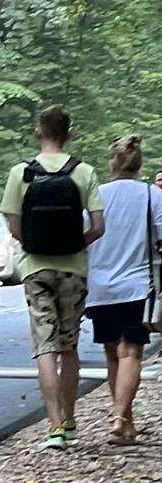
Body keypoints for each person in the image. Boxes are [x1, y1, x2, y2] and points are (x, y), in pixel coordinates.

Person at [1, 106, 106, 449]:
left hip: (36, 268)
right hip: (73, 268)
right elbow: (99, 226)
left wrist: (30, 244)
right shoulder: (84, 172)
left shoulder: (21, 173)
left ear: (38, 132)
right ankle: (72, 418)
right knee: (69, 346)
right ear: (69, 134)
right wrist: (77, 243)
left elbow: (13, 225)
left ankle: (54, 425)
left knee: (44, 346)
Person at [85, 134, 158, 444]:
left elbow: (83, 235)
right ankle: (119, 417)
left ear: (111, 162)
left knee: (113, 353)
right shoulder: (151, 194)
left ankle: (125, 423)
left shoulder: (96, 196)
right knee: (131, 354)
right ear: (139, 165)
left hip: (99, 287)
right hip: (136, 285)